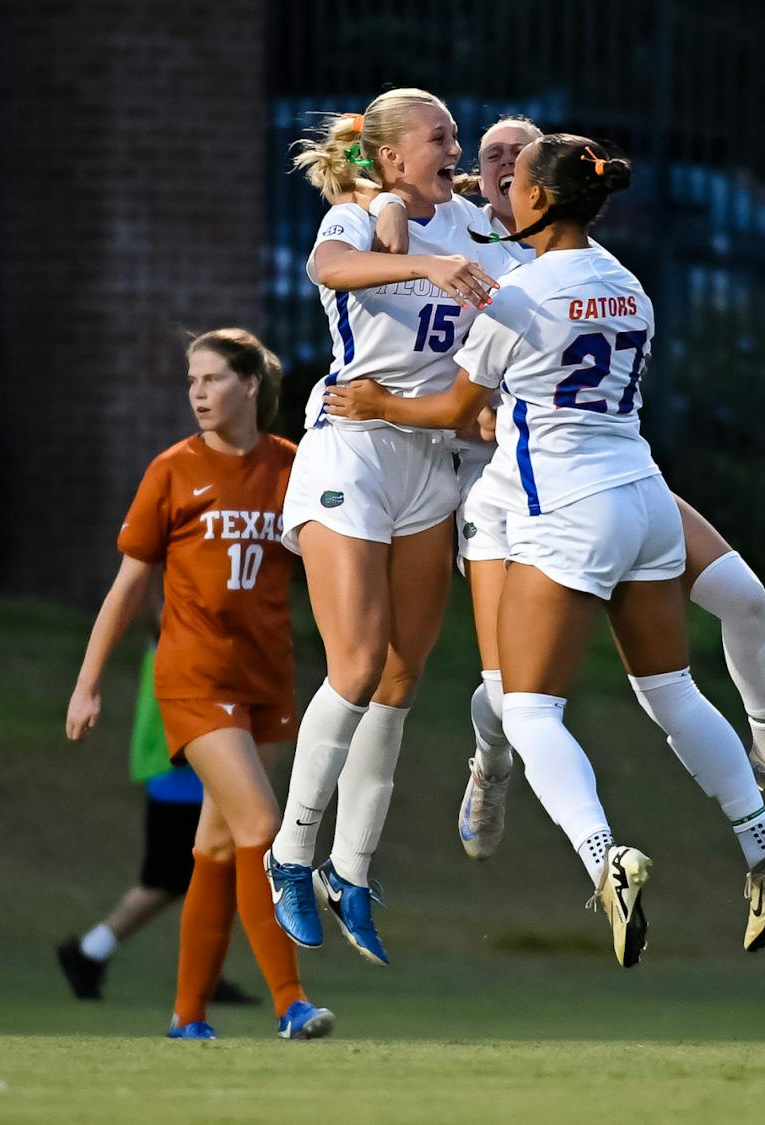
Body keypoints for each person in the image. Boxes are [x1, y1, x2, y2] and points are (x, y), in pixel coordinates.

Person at [326, 134, 765, 964]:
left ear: (543, 201)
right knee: (671, 690)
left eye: (513, 184)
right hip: (646, 497)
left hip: (570, 508)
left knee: (527, 708)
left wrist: (374, 402)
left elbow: (455, 411)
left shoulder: (515, 296)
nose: (501, 197)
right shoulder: (629, 285)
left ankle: (604, 855)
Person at [263, 88, 517, 967]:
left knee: (403, 673)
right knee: (358, 663)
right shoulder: (359, 213)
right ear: (390, 157)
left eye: (457, 135)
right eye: (439, 136)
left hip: (431, 459)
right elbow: (330, 272)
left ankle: (352, 868)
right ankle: (290, 854)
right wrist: (421, 266)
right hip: (352, 449)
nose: (457, 147)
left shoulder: (481, 229)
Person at [65, 327, 333, 1039]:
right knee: (263, 828)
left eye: (212, 378)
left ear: (250, 386)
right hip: (193, 677)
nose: (198, 392)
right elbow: (128, 587)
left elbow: (329, 560)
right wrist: (87, 681)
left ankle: (187, 1016)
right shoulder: (172, 470)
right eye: (192, 380)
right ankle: (290, 1001)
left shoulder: (291, 466)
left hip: (266, 677)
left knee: (216, 847)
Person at [56, 646, 259, 1007]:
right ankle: (92, 953)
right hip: (184, 780)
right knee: (175, 879)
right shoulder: (178, 644)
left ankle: (94, 954)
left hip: (185, 778)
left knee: (187, 879)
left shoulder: (181, 640)